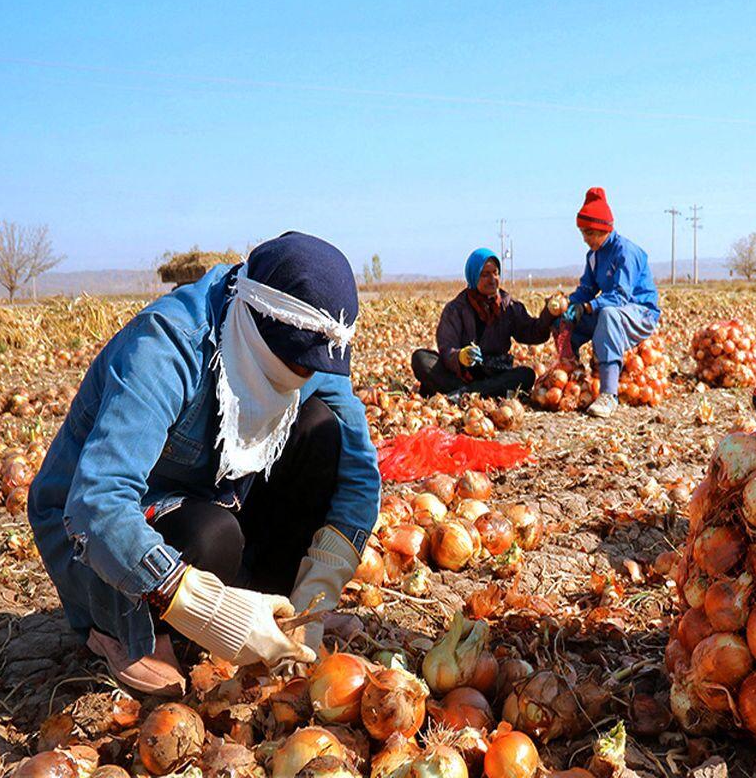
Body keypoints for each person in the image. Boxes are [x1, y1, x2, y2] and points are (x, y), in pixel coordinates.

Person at [28, 232, 380, 696]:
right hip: (100, 530)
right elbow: (97, 506)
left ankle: (272, 611)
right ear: (258, 333)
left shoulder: (307, 348)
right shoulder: (166, 348)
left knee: (320, 429)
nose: (307, 376)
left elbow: (358, 470)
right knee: (212, 536)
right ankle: (131, 631)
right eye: (297, 366)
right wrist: (194, 601)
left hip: (217, 493)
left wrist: (318, 585)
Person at [563, 187, 661, 418]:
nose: (585, 239)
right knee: (567, 322)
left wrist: (587, 307)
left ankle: (608, 394)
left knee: (608, 314)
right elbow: (587, 288)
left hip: (640, 313)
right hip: (613, 308)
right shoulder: (594, 255)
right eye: (583, 233)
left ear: (603, 229)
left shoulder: (626, 253)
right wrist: (569, 305)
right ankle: (569, 374)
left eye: (589, 233)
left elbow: (619, 296)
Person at [412, 247, 556, 399]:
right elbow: (446, 347)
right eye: (485, 274)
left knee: (526, 375)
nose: (493, 279)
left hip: (494, 374)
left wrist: (549, 314)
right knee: (420, 358)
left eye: (496, 273)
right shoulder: (455, 309)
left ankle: (463, 394)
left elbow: (533, 332)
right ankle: (473, 393)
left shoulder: (508, 307)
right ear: (473, 277)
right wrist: (460, 356)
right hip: (461, 375)